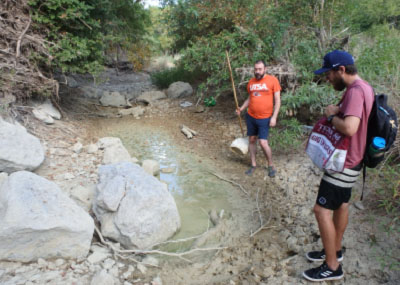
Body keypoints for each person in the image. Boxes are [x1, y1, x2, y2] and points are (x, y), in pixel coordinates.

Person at [303, 50, 374, 282]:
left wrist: (333, 115)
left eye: (330, 74)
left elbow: (351, 127)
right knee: (341, 205)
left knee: (321, 210)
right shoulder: (364, 87)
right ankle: (335, 250)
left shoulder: (355, 92)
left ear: (341, 70)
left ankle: (332, 266)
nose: (328, 78)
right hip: (353, 160)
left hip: (344, 163)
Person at [236, 60, 281, 177]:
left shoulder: (273, 80)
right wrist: (241, 108)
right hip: (251, 116)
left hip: (265, 118)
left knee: (263, 142)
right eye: (256, 69)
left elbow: (278, 101)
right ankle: (253, 164)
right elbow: (250, 98)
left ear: (265, 69)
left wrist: (274, 117)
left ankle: (271, 165)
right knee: (251, 140)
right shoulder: (251, 82)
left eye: (260, 69)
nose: (257, 71)